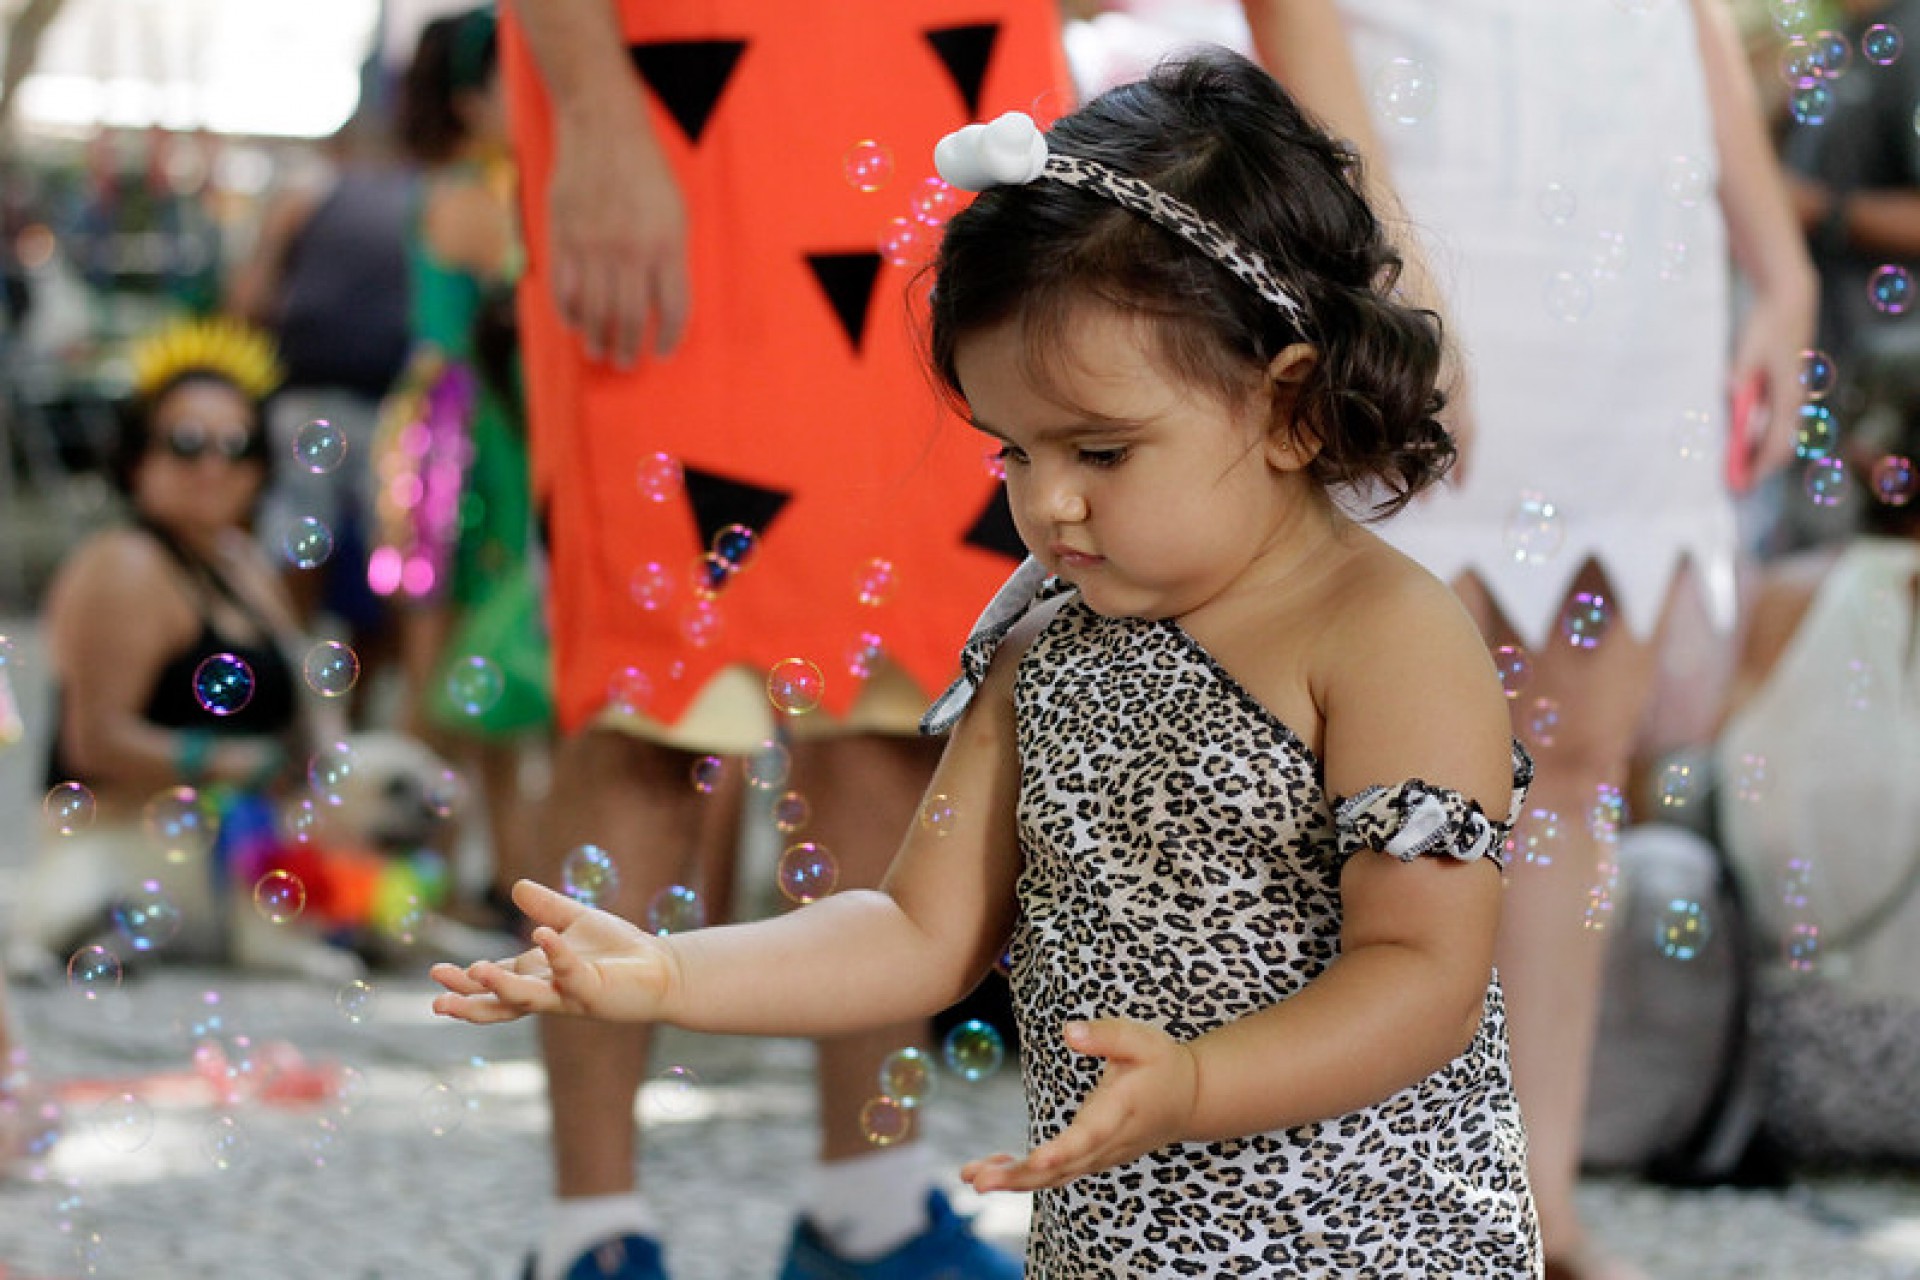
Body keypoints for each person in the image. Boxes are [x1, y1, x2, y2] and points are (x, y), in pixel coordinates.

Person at [437, 50, 1541, 1275]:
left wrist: (1195, 1080)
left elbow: (1425, 973)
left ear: (1288, 405)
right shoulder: (1045, 633)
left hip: (1367, 1240)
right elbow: (919, 926)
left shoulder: (1386, 635)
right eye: (1013, 449)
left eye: (1104, 451)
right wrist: (668, 970)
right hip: (1119, 1238)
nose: (1050, 500)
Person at [495, 1, 1068, 1276]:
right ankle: (590, 1231)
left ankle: (868, 1207)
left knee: (899, 692)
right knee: (648, 690)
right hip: (678, 109)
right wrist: (593, 109)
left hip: (945, 98)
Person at [1288, 5, 1816, 1275]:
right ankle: (1344, 1213)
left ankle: (1536, 1212)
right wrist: (1390, 269)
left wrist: (1780, 263)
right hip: (1428, 216)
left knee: (1577, 763)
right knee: (1368, 766)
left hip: (1638, 266)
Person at [9, 316, 357, 983]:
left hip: (242, 857)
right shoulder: (127, 565)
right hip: (129, 852)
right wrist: (231, 761)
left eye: (239, 447)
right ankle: (91, 932)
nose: (213, 467)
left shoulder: (237, 560)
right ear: (137, 457)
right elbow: (95, 744)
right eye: (187, 444)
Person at [374, 6, 548, 924]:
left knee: (482, 665)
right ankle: (417, 874)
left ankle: (489, 871)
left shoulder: (485, 179)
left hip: (485, 429)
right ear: (475, 98)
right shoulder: (473, 192)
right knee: (445, 659)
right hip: (458, 441)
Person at [224, 110, 413, 671]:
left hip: (308, 398)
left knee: (298, 547)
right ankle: (352, 706)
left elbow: (250, 301)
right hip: (396, 406)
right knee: (389, 561)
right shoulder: (423, 199)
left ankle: (288, 683)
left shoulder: (304, 199)